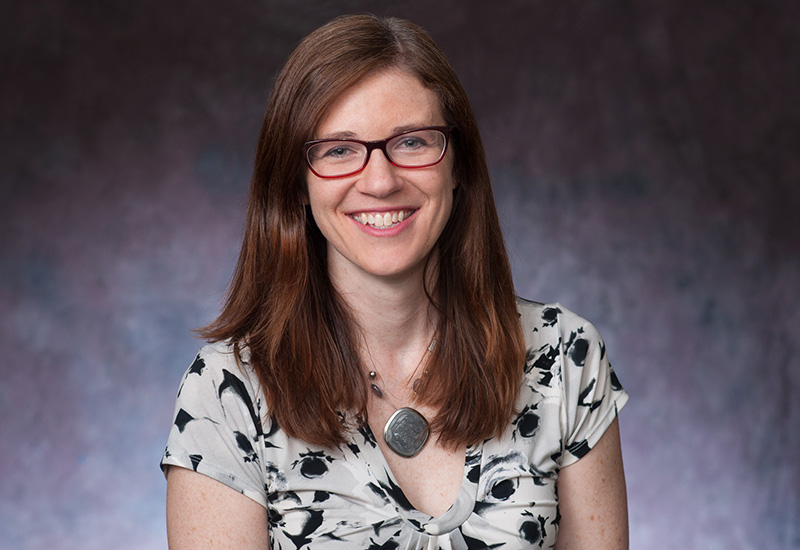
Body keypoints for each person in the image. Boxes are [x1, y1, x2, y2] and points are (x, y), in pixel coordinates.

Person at [161, 14, 629, 549]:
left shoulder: (565, 359)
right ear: (295, 182)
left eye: (411, 142)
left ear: (458, 165)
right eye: (338, 150)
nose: (380, 181)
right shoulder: (230, 392)